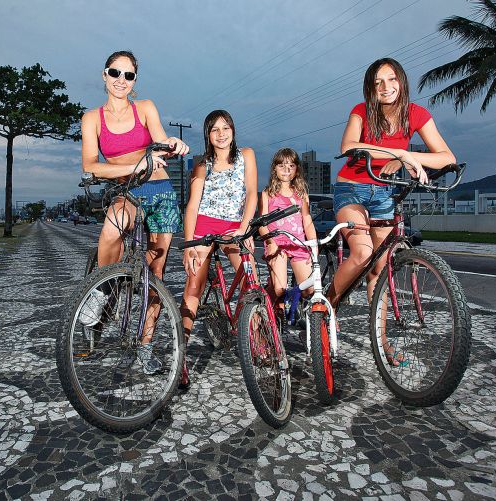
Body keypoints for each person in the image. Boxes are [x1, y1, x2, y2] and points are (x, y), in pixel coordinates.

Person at [326, 57, 456, 365]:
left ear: (402, 81)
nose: (386, 87)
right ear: (371, 88)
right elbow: (348, 147)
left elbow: (447, 156)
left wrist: (409, 156)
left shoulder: (416, 114)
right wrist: (396, 152)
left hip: (383, 193)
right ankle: (325, 307)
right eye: (378, 82)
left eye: (392, 79)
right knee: (362, 252)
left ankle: (382, 343)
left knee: (381, 269)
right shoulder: (361, 111)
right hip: (351, 189)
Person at [80, 50, 189, 374]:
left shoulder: (145, 107)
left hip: (160, 191)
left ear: (134, 81)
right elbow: (91, 165)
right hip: (126, 191)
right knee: (111, 230)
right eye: (115, 73)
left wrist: (172, 144)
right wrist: (134, 164)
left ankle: (146, 345)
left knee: (156, 276)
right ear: (104, 75)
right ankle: (100, 292)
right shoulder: (91, 119)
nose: (121, 81)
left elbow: (159, 143)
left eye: (128, 76)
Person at [181, 109, 258, 388]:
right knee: (193, 288)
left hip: (235, 226)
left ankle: (259, 340)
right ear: (208, 135)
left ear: (233, 130)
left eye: (226, 127)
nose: (221, 133)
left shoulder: (246, 155)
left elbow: (251, 193)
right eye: (215, 129)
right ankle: (181, 357)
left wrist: (246, 228)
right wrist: (189, 244)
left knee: (252, 281)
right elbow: (192, 205)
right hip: (204, 226)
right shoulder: (202, 163)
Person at [259, 148, 317, 317]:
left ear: (297, 169)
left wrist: (313, 244)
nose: (286, 170)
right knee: (278, 289)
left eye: (291, 165)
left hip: (298, 244)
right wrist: (271, 242)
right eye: (282, 165)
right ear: (274, 168)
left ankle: (293, 306)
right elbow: (262, 223)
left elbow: (307, 220)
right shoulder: (267, 194)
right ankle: (263, 308)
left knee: (309, 289)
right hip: (277, 245)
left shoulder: (301, 194)